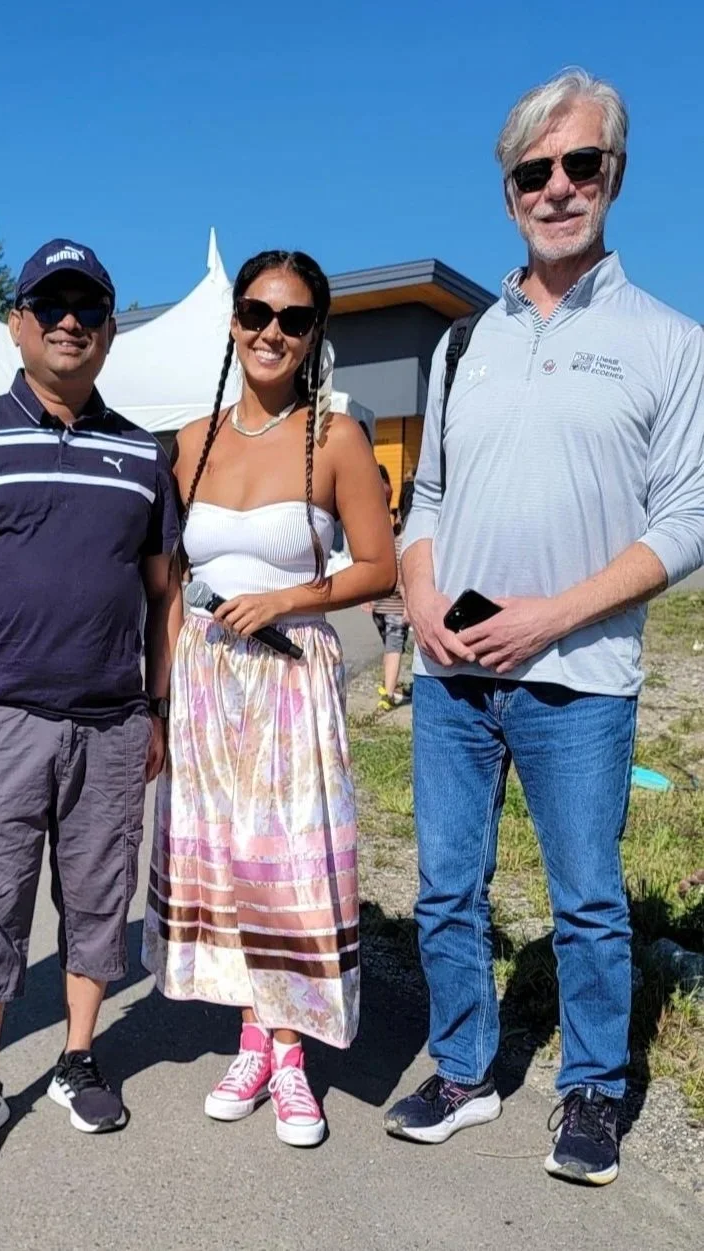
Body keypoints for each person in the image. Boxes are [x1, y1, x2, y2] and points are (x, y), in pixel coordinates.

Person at [384, 69, 704, 1187]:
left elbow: (690, 517)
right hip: (451, 675)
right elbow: (422, 499)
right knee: (444, 886)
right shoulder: (462, 344)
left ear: (614, 175)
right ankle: (465, 1070)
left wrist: (549, 619)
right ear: (508, 188)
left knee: (586, 902)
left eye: (581, 165)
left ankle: (591, 1092)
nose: (558, 187)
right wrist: (420, 604)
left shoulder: (670, 341)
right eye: (535, 170)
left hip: (581, 674)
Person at [0, 238, 180, 1159]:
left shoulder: (140, 454)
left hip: (110, 722)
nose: (69, 322)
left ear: (108, 329)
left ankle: (78, 1056)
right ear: (17, 321)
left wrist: (160, 710)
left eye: (88, 308)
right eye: (50, 305)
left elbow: (164, 594)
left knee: (99, 900)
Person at [140, 250, 396, 1147]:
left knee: (290, 867)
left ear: (315, 331)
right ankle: (253, 1033)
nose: (271, 333)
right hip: (209, 680)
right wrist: (160, 696)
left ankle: (290, 1056)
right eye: (256, 313)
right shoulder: (190, 441)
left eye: (292, 318)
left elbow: (379, 565)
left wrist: (288, 596)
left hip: (291, 676)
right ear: (234, 323)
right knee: (227, 863)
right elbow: (169, 579)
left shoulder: (339, 438)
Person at [367, 466, 410, 710]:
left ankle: (387, 684)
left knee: (389, 647)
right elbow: (403, 579)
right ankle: (389, 693)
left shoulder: (392, 540)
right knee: (395, 648)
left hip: (380, 607)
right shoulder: (404, 543)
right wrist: (409, 605)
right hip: (394, 607)